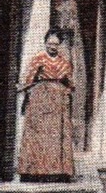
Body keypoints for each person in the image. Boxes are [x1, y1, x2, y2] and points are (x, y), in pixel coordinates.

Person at [18, 29, 75, 182]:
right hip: (40, 99)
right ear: (45, 43)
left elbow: (70, 82)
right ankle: (34, 171)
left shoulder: (64, 61)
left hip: (59, 102)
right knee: (38, 135)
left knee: (56, 136)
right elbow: (30, 79)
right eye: (50, 43)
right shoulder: (39, 59)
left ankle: (56, 172)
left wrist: (67, 93)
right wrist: (27, 92)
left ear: (60, 45)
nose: (52, 47)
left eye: (56, 44)